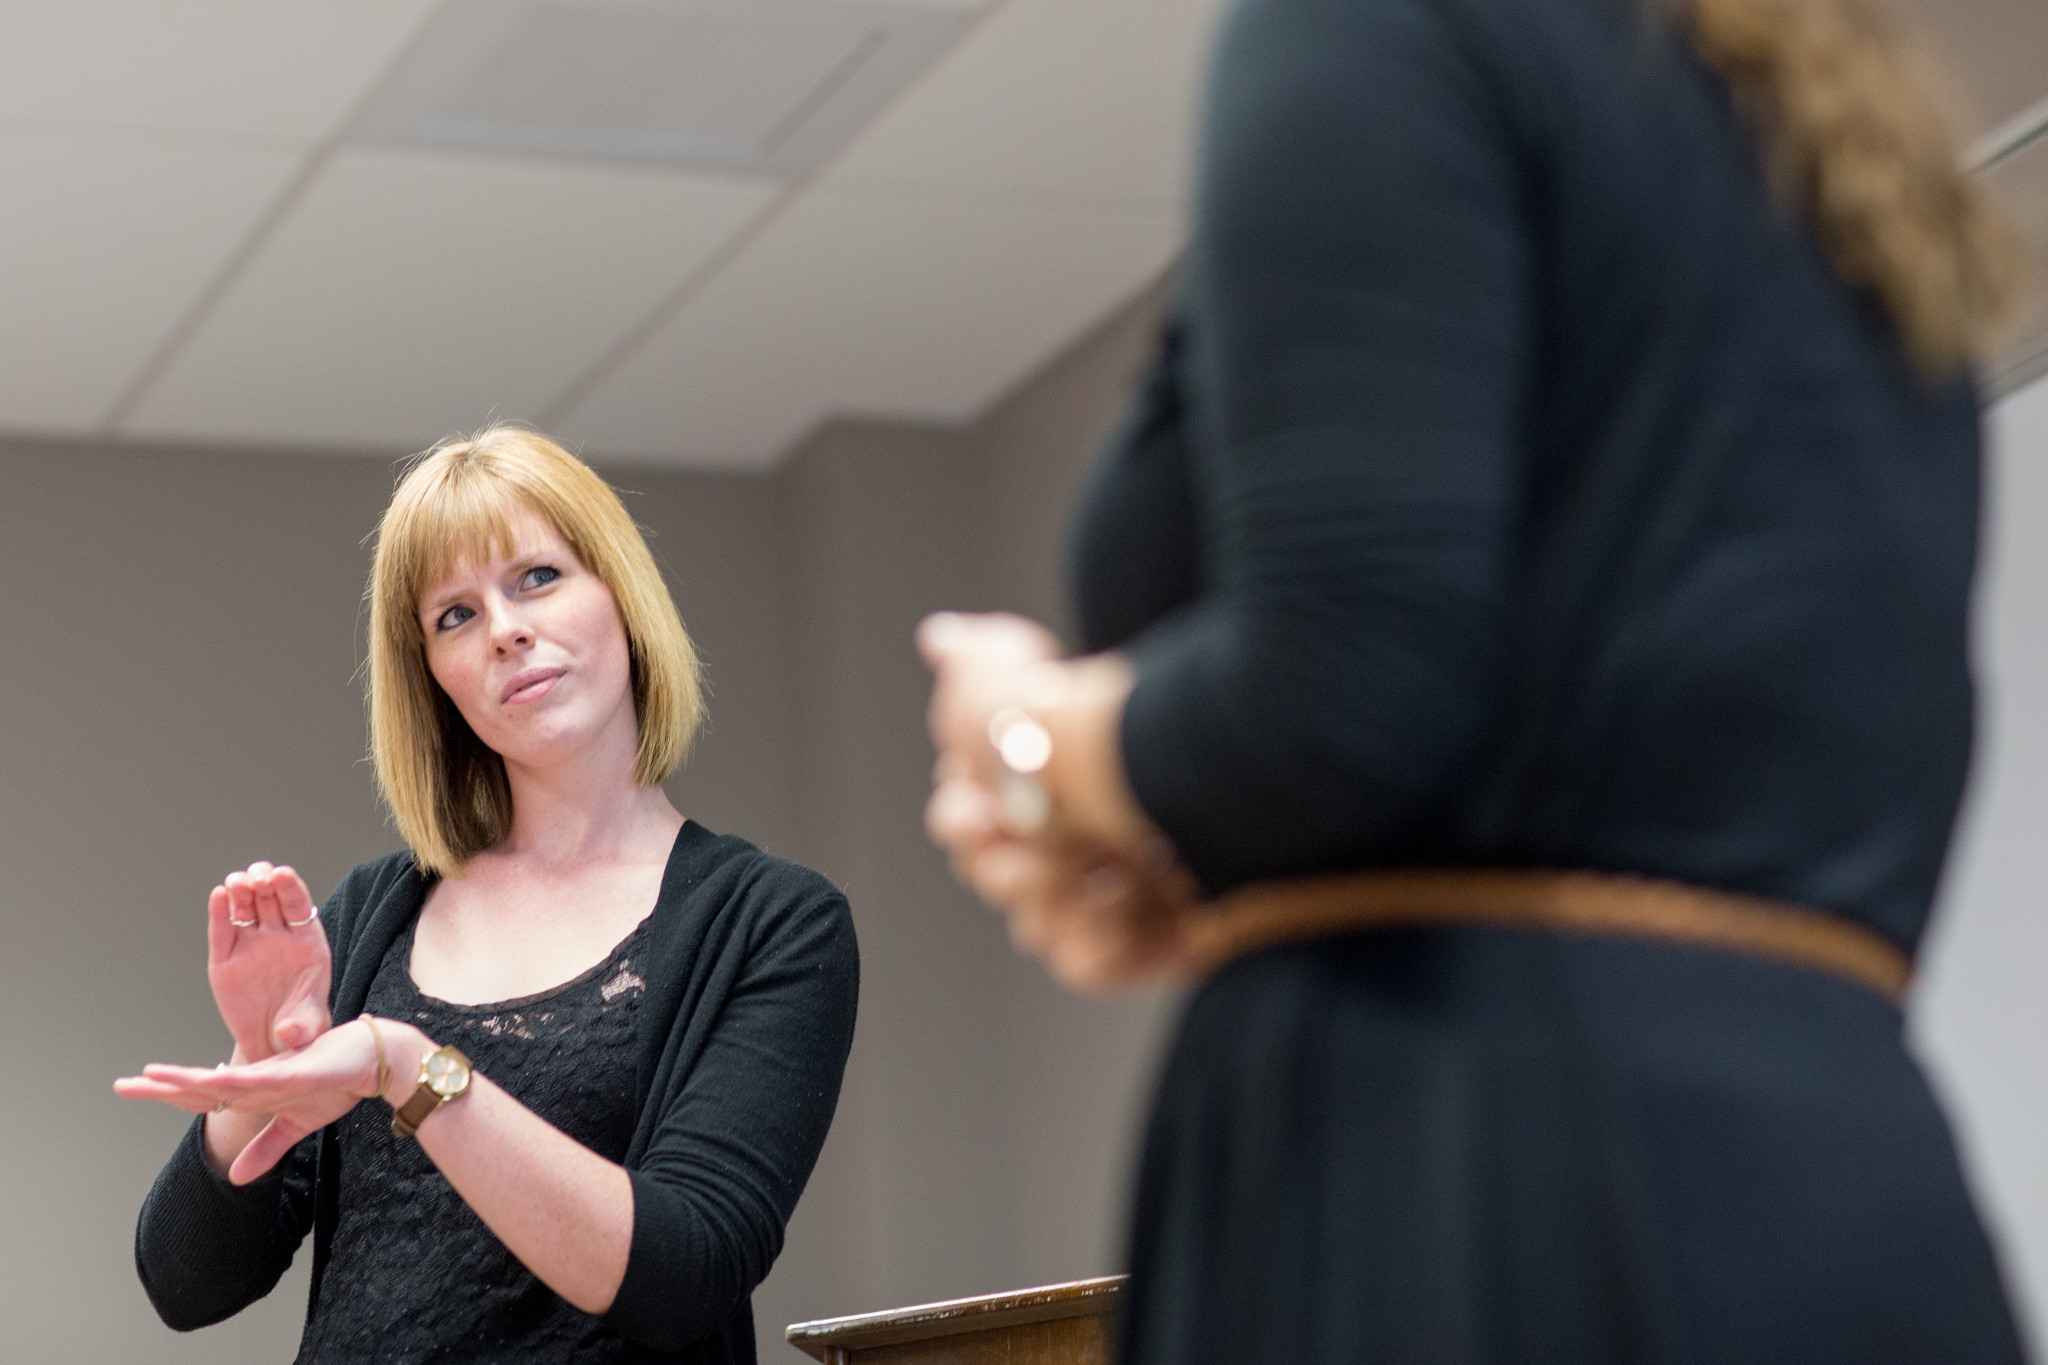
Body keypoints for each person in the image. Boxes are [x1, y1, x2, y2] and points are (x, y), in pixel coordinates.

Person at [920, 0, 2032, 1359]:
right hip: (1838, 1178)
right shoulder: (1827, 126)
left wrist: (1026, 736)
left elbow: (1342, 695)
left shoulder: (1377, 23)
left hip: (1469, 1187)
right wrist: (1221, 873)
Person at [117, 426, 857, 1364]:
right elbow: (183, 1282)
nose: (505, 627)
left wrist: (413, 1070)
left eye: (538, 577)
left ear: (621, 595)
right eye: (454, 616)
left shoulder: (773, 924)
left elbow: (686, 1272)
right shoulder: (369, 918)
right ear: (437, 682)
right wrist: (260, 1064)